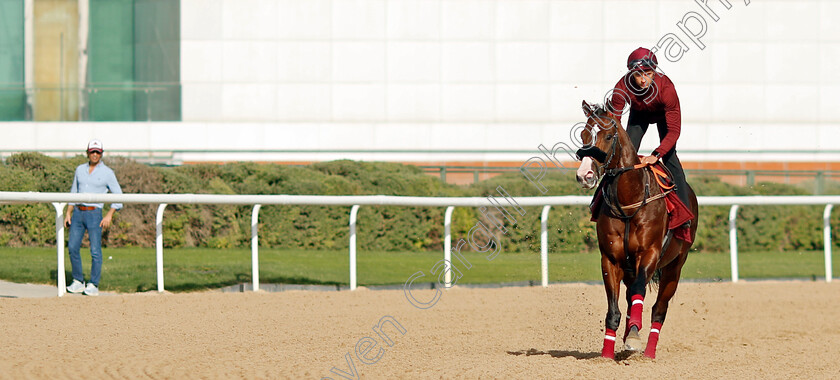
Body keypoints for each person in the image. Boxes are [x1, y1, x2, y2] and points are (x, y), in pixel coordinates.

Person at [607, 47, 692, 225]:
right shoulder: (622, 86)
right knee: (622, 156)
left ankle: (684, 214)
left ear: (654, 71)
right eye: (638, 75)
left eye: (648, 73)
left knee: (670, 159)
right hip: (639, 115)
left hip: (662, 115)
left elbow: (674, 131)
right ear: (631, 74)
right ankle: (601, 203)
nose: (643, 79)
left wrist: (656, 155)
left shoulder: (667, 89)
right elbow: (614, 123)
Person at [64, 139, 123, 296]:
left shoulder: (108, 173)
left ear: (101, 154)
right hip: (78, 212)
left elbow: (119, 196)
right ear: (87, 153)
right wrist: (68, 212)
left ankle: (94, 284)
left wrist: (109, 215)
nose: (95, 155)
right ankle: (78, 281)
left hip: (95, 213)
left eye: (98, 152)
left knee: (95, 250)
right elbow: (73, 192)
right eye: (92, 152)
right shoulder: (79, 170)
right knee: (72, 247)